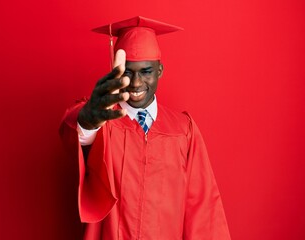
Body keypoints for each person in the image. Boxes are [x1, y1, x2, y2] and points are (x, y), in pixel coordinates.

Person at [60, 16, 231, 240]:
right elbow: (74, 134)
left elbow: (202, 208)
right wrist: (87, 122)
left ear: (160, 70)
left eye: (146, 71)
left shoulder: (182, 130)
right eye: (128, 72)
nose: (137, 82)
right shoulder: (104, 122)